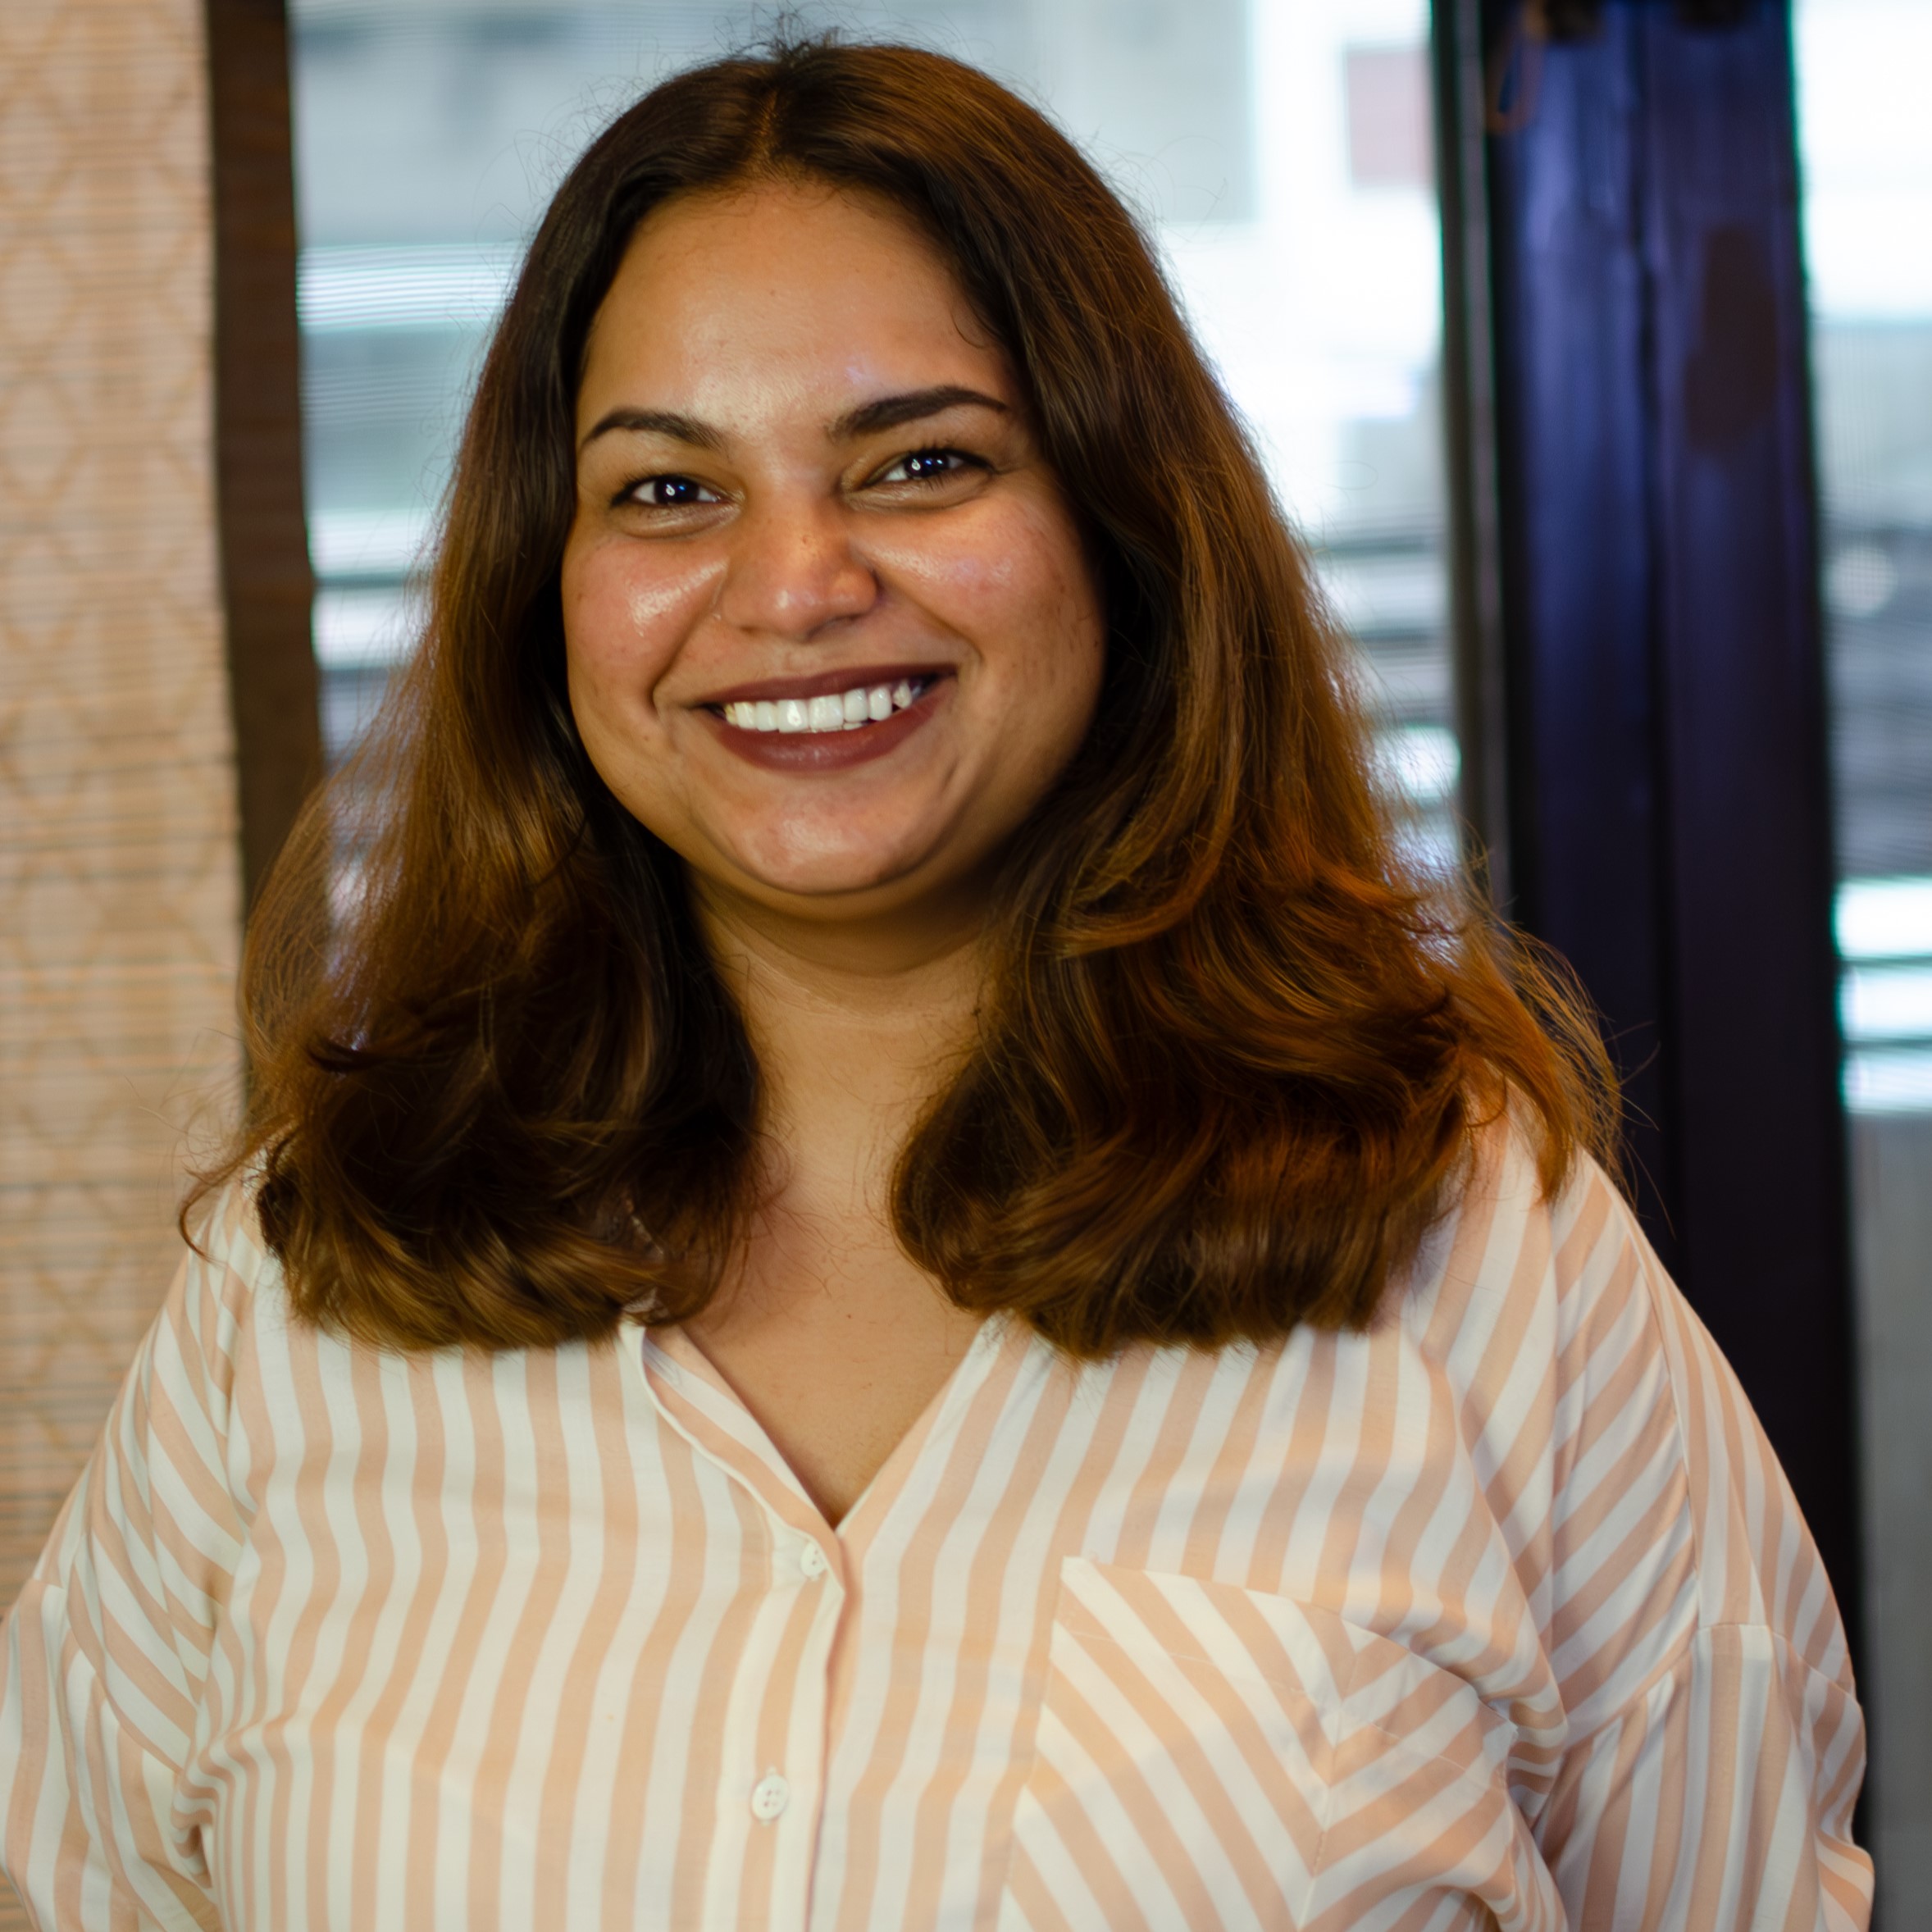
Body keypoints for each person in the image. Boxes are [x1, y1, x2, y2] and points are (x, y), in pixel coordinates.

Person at [0, 37, 1869, 1931]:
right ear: (541, 588)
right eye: (667, 488)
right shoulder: (302, 1288)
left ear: (1121, 528)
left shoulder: (1471, 1251)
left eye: (920, 462)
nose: (795, 582)